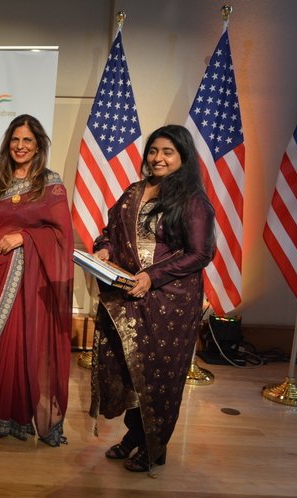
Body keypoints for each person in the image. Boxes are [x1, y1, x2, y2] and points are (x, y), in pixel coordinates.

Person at [90, 124, 215, 473]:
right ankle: (134, 434)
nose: (158, 158)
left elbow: (200, 253)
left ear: (183, 157)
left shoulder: (192, 200)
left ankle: (153, 445)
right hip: (129, 294)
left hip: (169, 302)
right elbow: (110, 231)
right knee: (130, 370)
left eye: (168, 152)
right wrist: (104, 249)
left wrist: (152, 277)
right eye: (154, 151)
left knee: (159, 375)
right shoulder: (135, 191)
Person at [0, 114, 74, 445]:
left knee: (24, 342)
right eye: (15, 139)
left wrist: (24, 238)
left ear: (38, 145)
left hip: (30, 276)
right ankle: (1, 412)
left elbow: (62, 234)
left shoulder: (50, 183)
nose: (20, 146)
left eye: (27, 140)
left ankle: (21, 413)